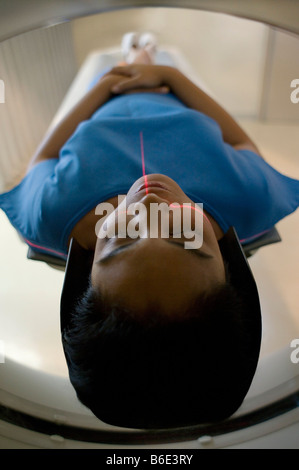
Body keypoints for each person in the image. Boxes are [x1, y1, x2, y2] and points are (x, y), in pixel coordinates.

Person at [1, 33, 298, 429]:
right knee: (146, 52)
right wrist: (169, 76)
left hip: (107, 96)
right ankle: (145, 49)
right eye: (184, 237)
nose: (151, 207)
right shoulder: (248, 198)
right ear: (229, 269)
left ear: (87, 272)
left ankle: (135, 50)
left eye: (122, 239)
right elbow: (240, 140)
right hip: (173, 94)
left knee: (134, 54)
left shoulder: (51, 213)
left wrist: (105, 86)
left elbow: (44, 156)